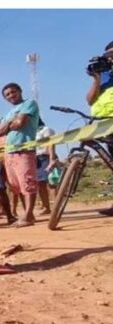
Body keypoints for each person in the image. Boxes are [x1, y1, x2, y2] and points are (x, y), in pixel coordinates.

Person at [0, 83, 40, 227]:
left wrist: (9, 125)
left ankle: (28, 215)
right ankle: (29, 214)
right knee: (16, 185)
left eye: (13, 92)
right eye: (7, 94)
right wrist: (10, 121)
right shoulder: (9, 114)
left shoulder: (29, 104)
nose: (11, 96)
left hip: (24, 149)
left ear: (20, 91)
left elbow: (20, 123)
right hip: (9, 152)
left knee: (27, 182)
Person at [87, 40, 113, 216]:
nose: (110, 58)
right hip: (103, 121)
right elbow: (90, 99)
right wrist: (96, 78)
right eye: (108, 56)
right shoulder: (103, 75)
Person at [35, 121, 57, 215]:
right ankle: (46, 207)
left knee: (51, 183)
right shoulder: (32, 132)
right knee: (40, 184)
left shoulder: (46, 130)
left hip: (46, 157)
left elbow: (51, 144)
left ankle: (57, 206)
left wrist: (52, 159)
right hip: (36, 159)